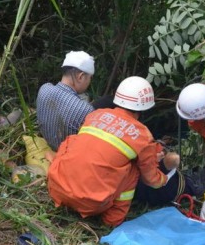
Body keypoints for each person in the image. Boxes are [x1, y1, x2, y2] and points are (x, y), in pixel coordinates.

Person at [47, 76, 176, 226]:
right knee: (133, 169)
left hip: (57, 188)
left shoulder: (95, 114)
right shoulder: (142, 135)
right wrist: (165, 179)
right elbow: (150, 179)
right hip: (90, 203)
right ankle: (112, 220)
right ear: (145, 108)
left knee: (74, 143)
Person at [36, 51, 95, 150]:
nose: (89, 82)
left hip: (47, 145)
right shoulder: (85, 110)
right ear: (80, 77)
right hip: (64, 155)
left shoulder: (44, 88)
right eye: (89, 78)